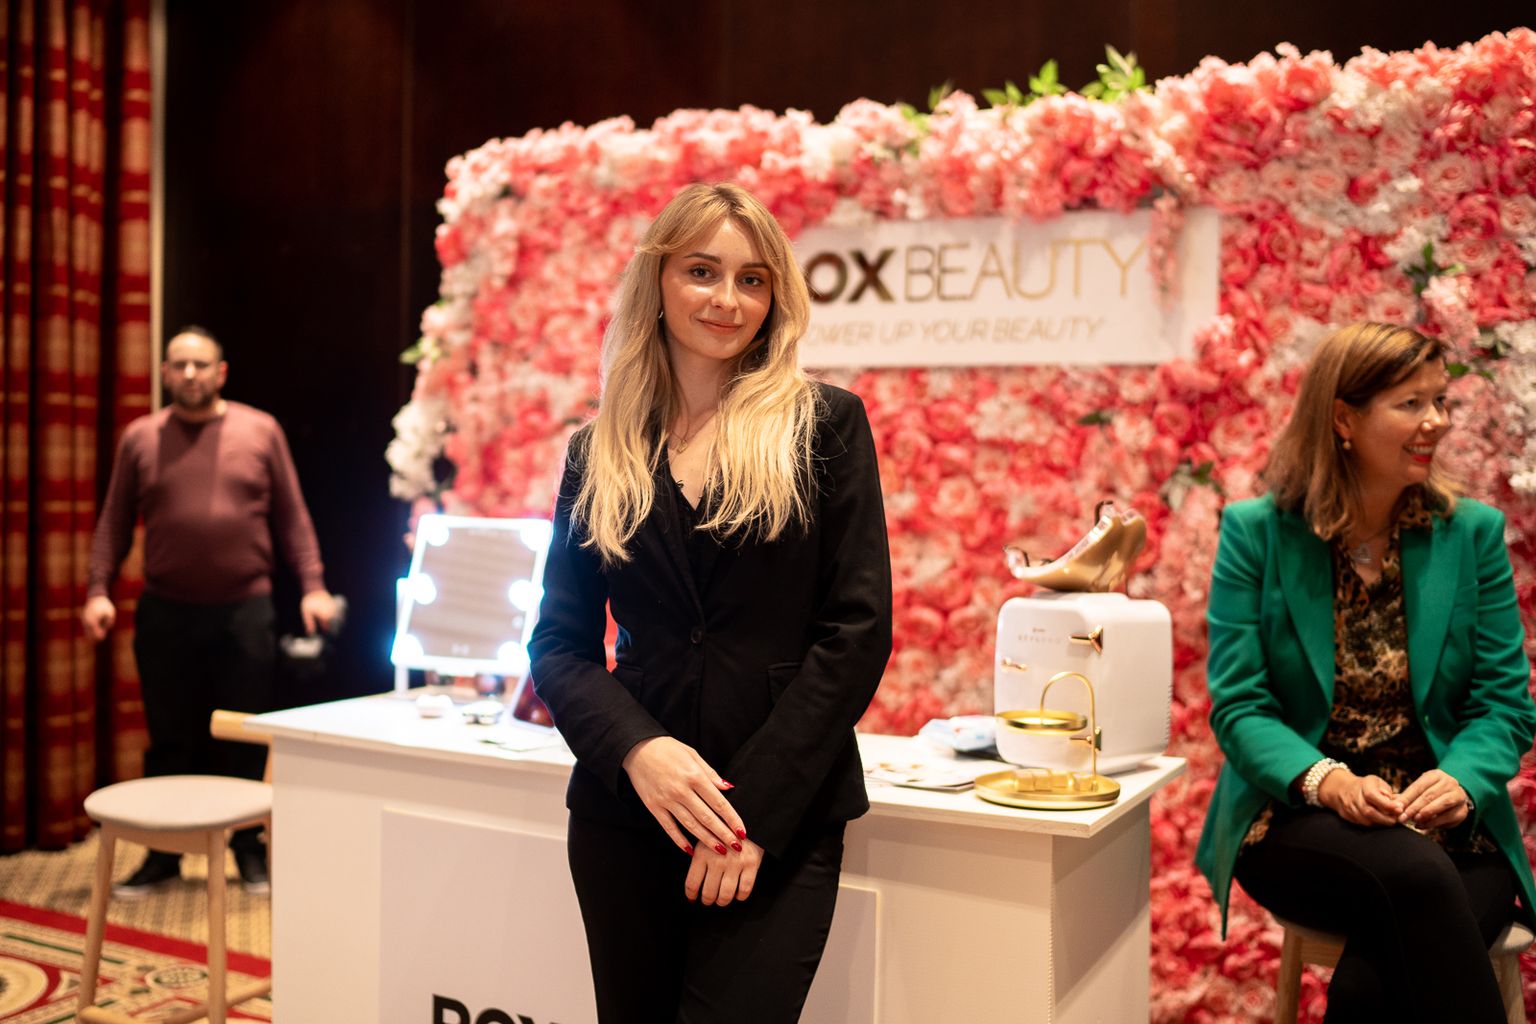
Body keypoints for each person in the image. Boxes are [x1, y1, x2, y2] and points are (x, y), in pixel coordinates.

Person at [528, 182, 892, 1023]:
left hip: (776, 821)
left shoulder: (823, 426)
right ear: (657, 281)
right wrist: (638, 750)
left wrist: (748, 817)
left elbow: (857, 632)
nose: (727, 299)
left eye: (752, 279)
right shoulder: (598, 450)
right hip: (628, 815)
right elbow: (558, 645)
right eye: (702, 271)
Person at [1196, 322, 1536, 1022]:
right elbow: (1240, 707)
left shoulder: (1470, 533)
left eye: (1440, 401)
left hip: (1454, 826)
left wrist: (1462, 780)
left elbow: (1504, 705)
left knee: (1367, 990)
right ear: (1344, 419)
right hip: (1298, 816)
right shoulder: (1257, 533)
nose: (1436, 422)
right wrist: (1328, 781)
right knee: (1415, 874)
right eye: (1411, 404)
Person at [83, 326, 338, 897]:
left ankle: (248, 850)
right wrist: (98, 589)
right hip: (165, 613)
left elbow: (293, 517)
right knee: (169, 738)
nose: (190, 374)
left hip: (244, 612)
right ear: (165, 372)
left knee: (241, 736)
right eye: (179, 364)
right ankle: (162, 855)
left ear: (221, 372)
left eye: (200, 364)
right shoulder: (140, 438)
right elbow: (114, 521)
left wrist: (314, 586)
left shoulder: (260, 430)